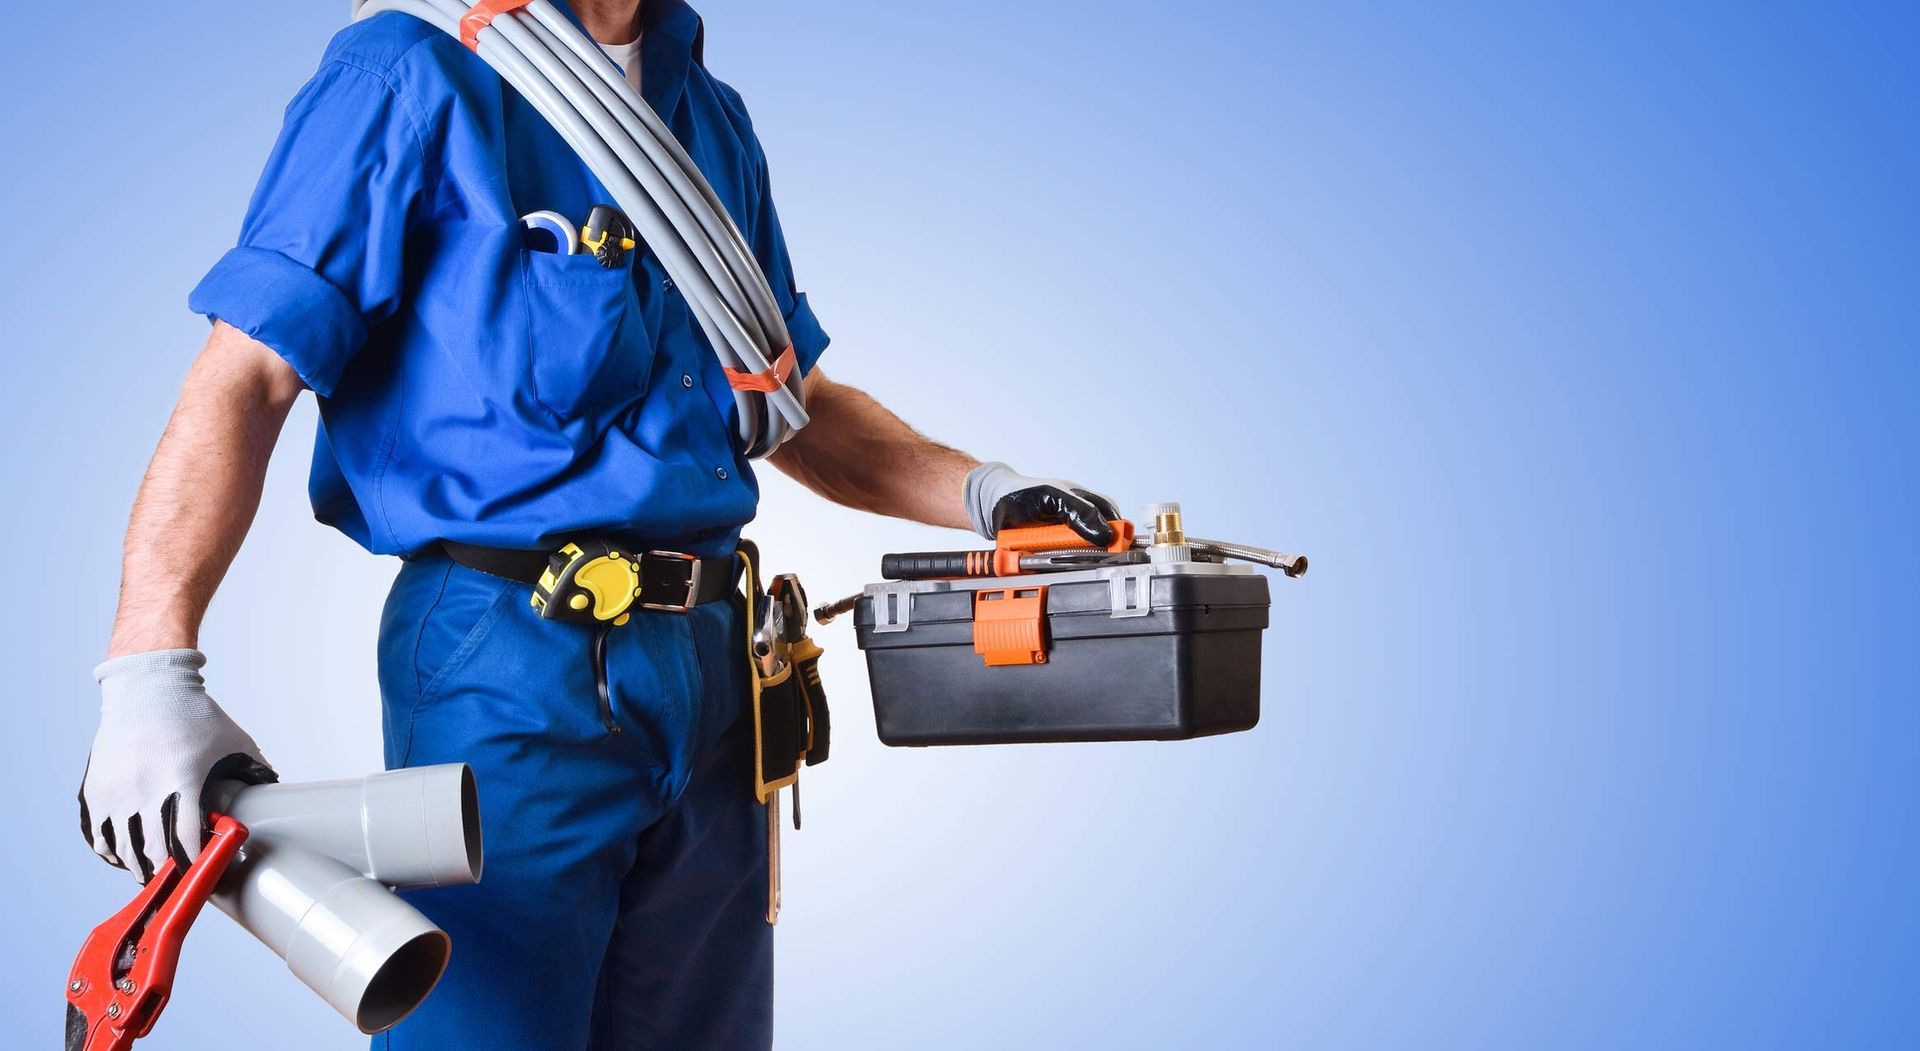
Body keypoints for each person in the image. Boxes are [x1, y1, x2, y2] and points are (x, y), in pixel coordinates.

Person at [75, 1, 1117, 1047]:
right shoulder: (409, 70)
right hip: (510, 658)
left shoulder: (706, 115)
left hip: (717, 665)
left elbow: (787, 401)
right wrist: (149, 676)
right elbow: (247, 374)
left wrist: (989, 494)